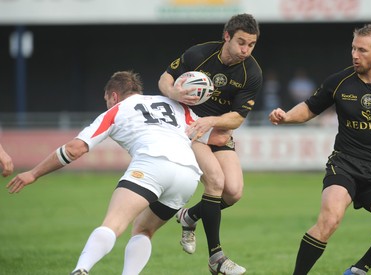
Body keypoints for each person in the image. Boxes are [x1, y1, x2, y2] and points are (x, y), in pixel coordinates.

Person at [6, 70, 231, 275]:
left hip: (152, 165)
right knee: (143, 230)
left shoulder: (117, 110)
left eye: (106, 100)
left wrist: (34, 173)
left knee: (113, 224)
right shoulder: (174, 105)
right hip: (187, 175)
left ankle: (81, 269)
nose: (107, 104)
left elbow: (75, 149)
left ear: (113, 96)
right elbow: (213, 137)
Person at [269, 24, 371, 275]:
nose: (354, 55)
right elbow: (309, 108)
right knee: (329, 220)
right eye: (353, 48)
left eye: (362, 50)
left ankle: (359, 269)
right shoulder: (339, 82)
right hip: (344, 165)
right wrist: (285, 117)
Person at [158, 13, 262, 274]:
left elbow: (238, 117)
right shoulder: (198, 54)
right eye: (241, 42)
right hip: (191, 128)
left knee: (234, 192)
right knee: (215, 181)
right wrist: (173, 92)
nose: (245, 50)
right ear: (226, 36)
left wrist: (213, 121)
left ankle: (189, 216)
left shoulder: (252, 73)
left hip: (218, 132)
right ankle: (217, 257)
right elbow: (165, 78)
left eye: (251, 44)